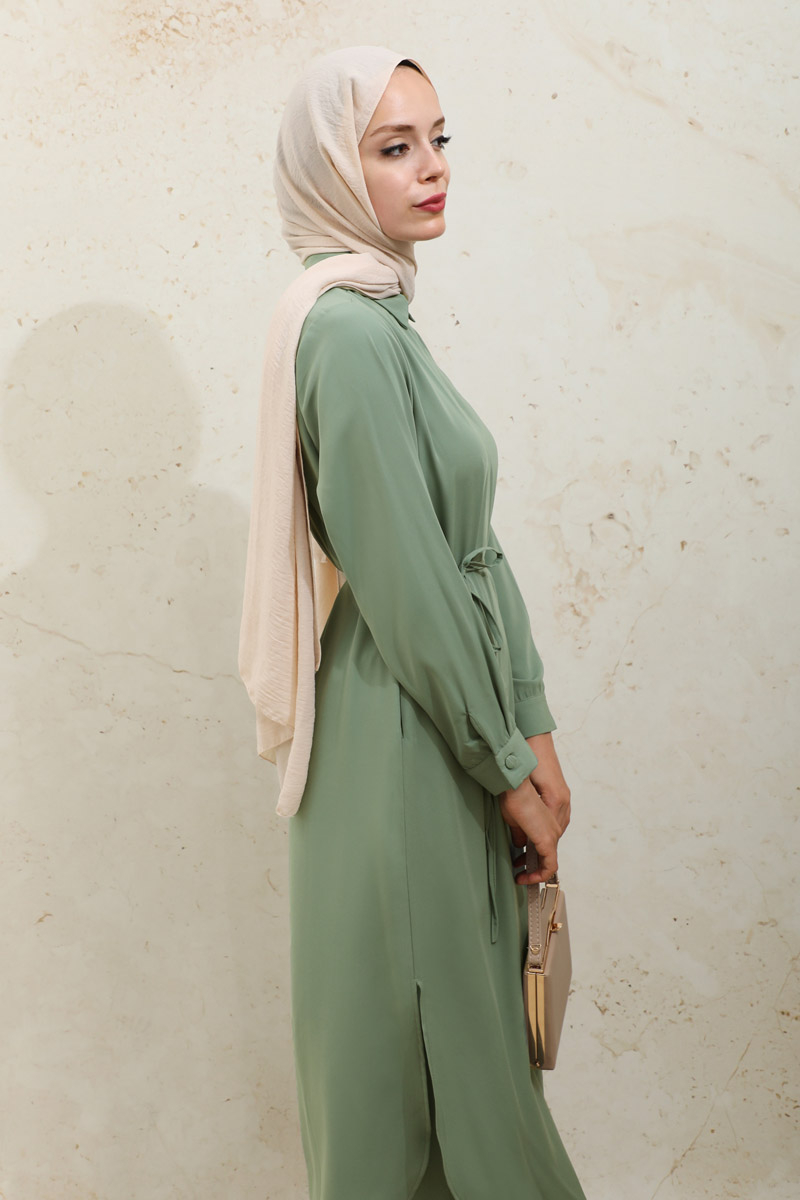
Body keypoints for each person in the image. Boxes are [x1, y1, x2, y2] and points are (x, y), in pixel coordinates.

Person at [239, 44, 587, 1200]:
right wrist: (504, 763)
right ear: (333, 171)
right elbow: (408, 584)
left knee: (462, 1069)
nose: (431, 167)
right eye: (393, 147)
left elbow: (471, 552)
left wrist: (531, 727)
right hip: (404, 733)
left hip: (440, 722)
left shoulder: (383, 320)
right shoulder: (342, 333)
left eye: (437, 139)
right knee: (437, 1086)